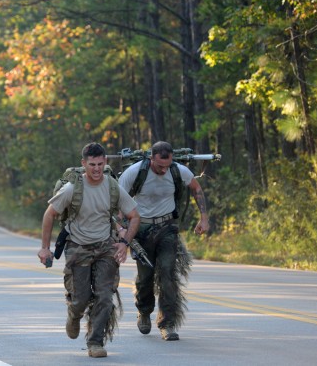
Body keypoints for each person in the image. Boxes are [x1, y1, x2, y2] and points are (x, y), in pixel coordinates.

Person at [37, 142, 140, 358]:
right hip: (78, 246)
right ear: (84, 164)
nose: (96, 169)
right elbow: (49, 215)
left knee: (104, 296)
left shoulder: (112, 187)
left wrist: (124, 243)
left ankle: (95, 342)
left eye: (100, 164)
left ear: (105, 163)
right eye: (92, 164)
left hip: (105, 246)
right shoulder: (71, 189)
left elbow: (134, 216)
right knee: (80, 298)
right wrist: (45, 248)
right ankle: (74, 315)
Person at [118, 141, 209, 341]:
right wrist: (121, 228)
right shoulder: (134, 172)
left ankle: (167, 323)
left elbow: (196, 189)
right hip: (141, 230)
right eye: (159, 165)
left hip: (167, 228)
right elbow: (117, 199)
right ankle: (143, 311)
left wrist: (204, 217)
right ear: (151, 158)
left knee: (168, 274)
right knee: (145, 278)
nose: (163, 169)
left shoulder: (178, 171)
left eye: (167, 166)